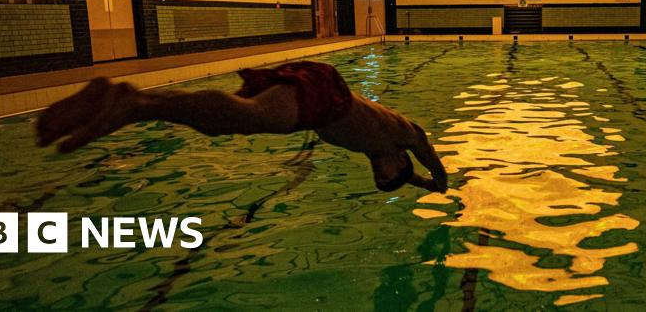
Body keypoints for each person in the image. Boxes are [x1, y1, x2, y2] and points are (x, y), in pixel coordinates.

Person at [36, 61, 448, 194]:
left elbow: (407, 176)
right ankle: (136, 104)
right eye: (386, 172)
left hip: (319, 106)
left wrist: (425, 187)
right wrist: (443, 177)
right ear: (401, 158)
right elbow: (423, 144)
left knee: (231, 121)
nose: (377, 171)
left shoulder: (376, 148)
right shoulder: (399, 132)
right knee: (248, 117)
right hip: (327, 99)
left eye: (378, 177)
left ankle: (139, 101)